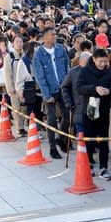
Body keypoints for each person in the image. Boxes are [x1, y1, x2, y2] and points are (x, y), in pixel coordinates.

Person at [77, 48, 111, 180]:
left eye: (105, 61)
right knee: (89, 139)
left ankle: (103, 167)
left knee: (104, 140)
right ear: (93, 59)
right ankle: (88, 164)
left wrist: (108, 91)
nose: (103, 64)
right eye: (100, 61)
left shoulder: (109, 72)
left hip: (104, 110)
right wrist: (94, 89)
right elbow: (79, 88)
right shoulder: (84, 71)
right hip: (89, 110)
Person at [32, 27, 70, 159]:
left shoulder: (60, 49)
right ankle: (53, 147)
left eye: (55, 34)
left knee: (67, 116)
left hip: (62, 88)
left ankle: (61, 138)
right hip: (50, 90)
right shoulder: (39, 54)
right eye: (52, 34)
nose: (55, 36)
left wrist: (67, 85)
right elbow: (39, 76)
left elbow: (67, 67)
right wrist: (47, 95)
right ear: (45, 37)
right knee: (52, 119)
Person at [4, 35, 27, 137]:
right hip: (14, 88)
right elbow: (7, 74)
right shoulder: (9, 57)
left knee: (25, 108)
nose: (19, 44)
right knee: (17, 108)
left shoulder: (25, 55)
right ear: (13, 43)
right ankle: (20, 128)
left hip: (25, 87)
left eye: (21, 41)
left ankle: (26, 124)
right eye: (17, 42)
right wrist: (10, 89)